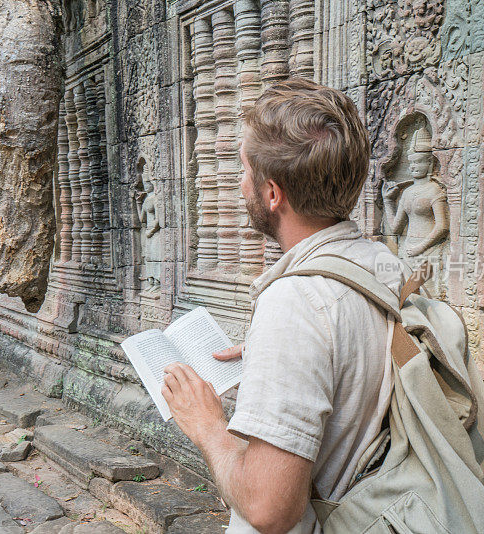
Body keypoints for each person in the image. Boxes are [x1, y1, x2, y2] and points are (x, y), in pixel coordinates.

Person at [161, 78, 406, 533]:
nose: (240, 183)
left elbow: (270, 509)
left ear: (272, 194)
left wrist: (207, 424)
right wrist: (275, 355)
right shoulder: (386, 267)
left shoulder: (295, 305)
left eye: (245, 170)